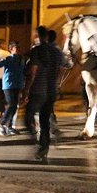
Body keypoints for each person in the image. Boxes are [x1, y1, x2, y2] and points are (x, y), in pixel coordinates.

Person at [20, 26, 67, 160]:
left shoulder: (37, 50)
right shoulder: (57, 52)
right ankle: (43, 147)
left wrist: (26, 90)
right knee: (44, 120)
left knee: (28, 118)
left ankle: (36, 140)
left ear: (37, 36)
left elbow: (33, 71)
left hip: (37, 90)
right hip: (51, 90)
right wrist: (56, 82)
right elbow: (63, 68)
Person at [0, 41, 25, 136]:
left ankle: (10, 126)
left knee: (15, 106)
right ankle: (2, 123)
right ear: (11, 49)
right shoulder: (8, 59)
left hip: (18, 85)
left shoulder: (22, 59)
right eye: (16, 47)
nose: (19, 49)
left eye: (19, 47)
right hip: (8, 85)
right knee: (11, 104)